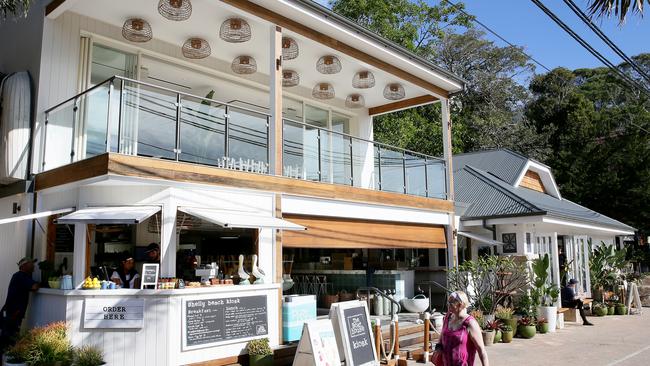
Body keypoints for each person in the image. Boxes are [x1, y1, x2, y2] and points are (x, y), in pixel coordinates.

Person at [439, 291, 489, 366]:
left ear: (461, 304)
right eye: (448, 302)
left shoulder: (470, 323)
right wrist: (438, 348)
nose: (448, 304)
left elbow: (482, 351)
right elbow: (441, 337)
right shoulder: (447, 317)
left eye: (451, 302)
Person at [1, 257, 40, 352]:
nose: (33, 266)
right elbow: (34, 287)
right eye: (31, 264)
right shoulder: (21, 276)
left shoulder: (21, 276)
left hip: (11, 311)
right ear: (24, 266)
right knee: (9, 337)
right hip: (13, 312)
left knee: (9, 336)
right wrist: (39, 283)